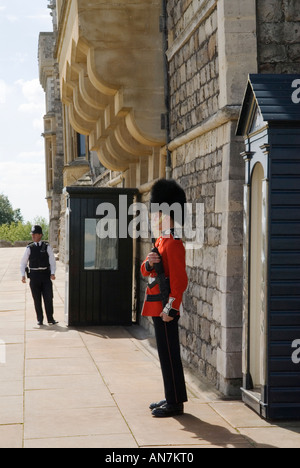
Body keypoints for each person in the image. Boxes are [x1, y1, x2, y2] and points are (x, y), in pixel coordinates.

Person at [141, 179, 188, 418]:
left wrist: (170, 308)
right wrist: (149, 263)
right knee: (164, 353)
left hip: (166, 308)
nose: (152, 217)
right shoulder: (161, 241)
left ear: (167, 213)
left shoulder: (173, 244)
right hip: (158, 306)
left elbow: (180, 282)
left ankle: (176, 402)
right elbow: (146, 271)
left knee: (170, 354)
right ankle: (171, 396)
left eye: (156, 212)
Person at [20, 225, 58, 326]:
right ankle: (40, 319)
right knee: (37, 299)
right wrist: (22, 275)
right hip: (34, 275)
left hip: (45, 275)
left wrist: (53, 272)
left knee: (48, 297)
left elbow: (52, 261)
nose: (33, 236)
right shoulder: (29, 247)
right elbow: (23, 262)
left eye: (35, 234)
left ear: (40, 235)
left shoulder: (47, 246)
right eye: (32, 234)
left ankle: (50, 318)